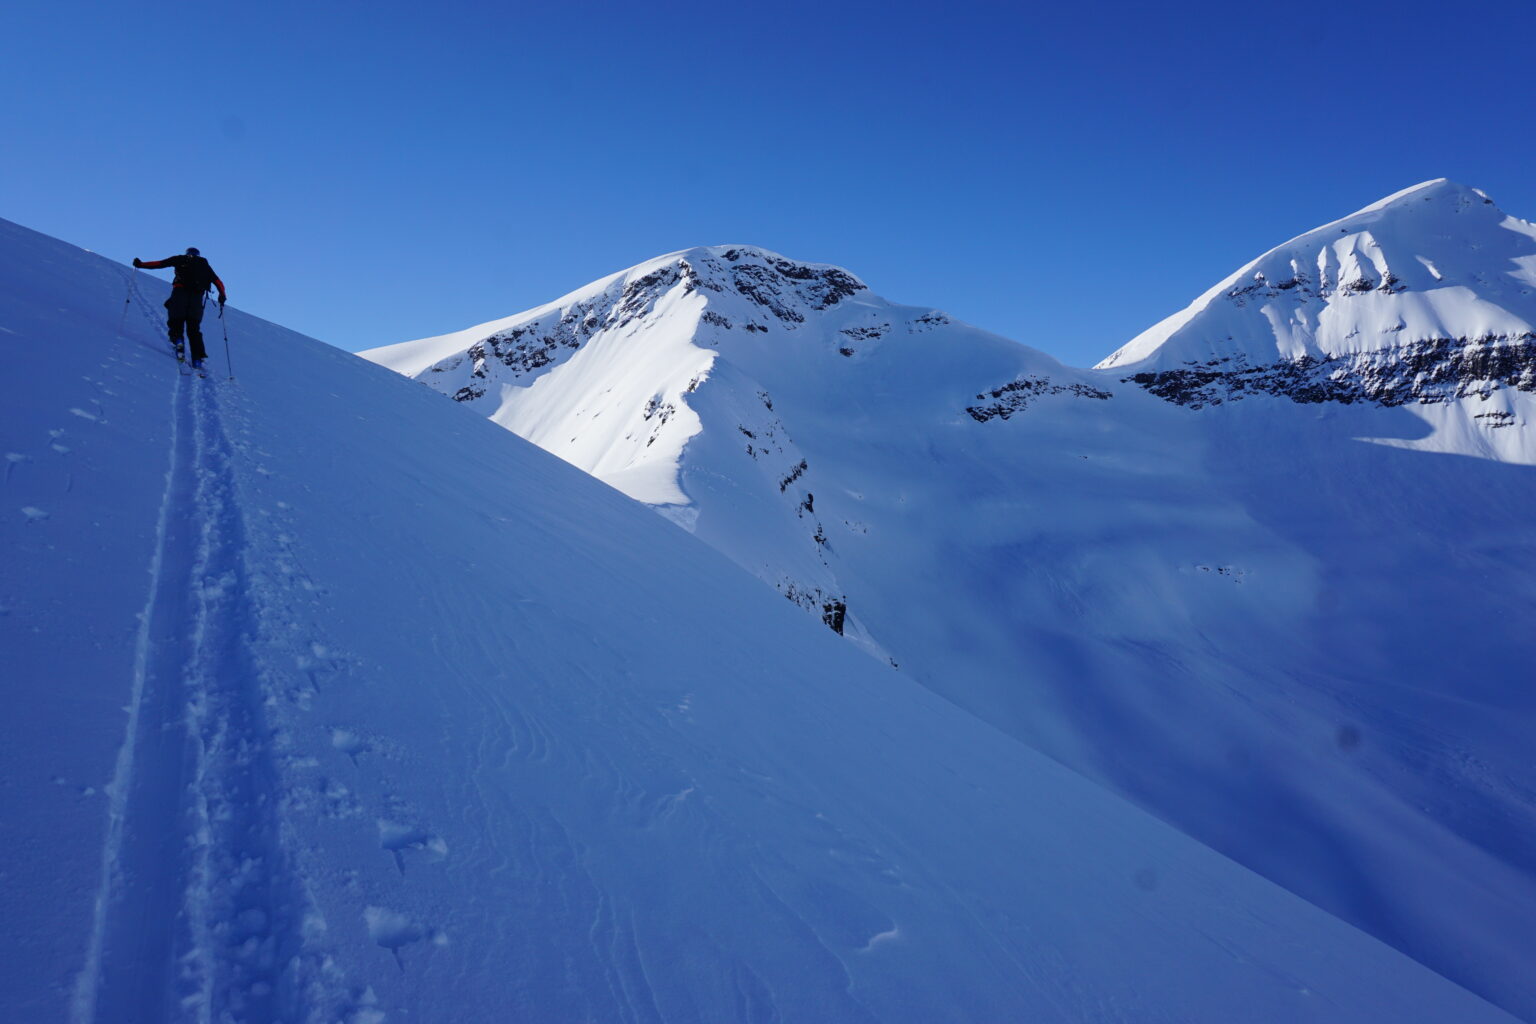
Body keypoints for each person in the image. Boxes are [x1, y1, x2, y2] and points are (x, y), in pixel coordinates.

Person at [132, 248, 227, 367]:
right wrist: (222, 296)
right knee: (194, 329)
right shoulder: (204, 265)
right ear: (198, 255)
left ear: (187, 253)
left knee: (176, 320)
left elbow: (159, 264)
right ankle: (197, 358)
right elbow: (219, 282)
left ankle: (178, 340)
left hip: (180, 293)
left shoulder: (180, 259)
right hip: (196, 299)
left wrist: (140, 264)